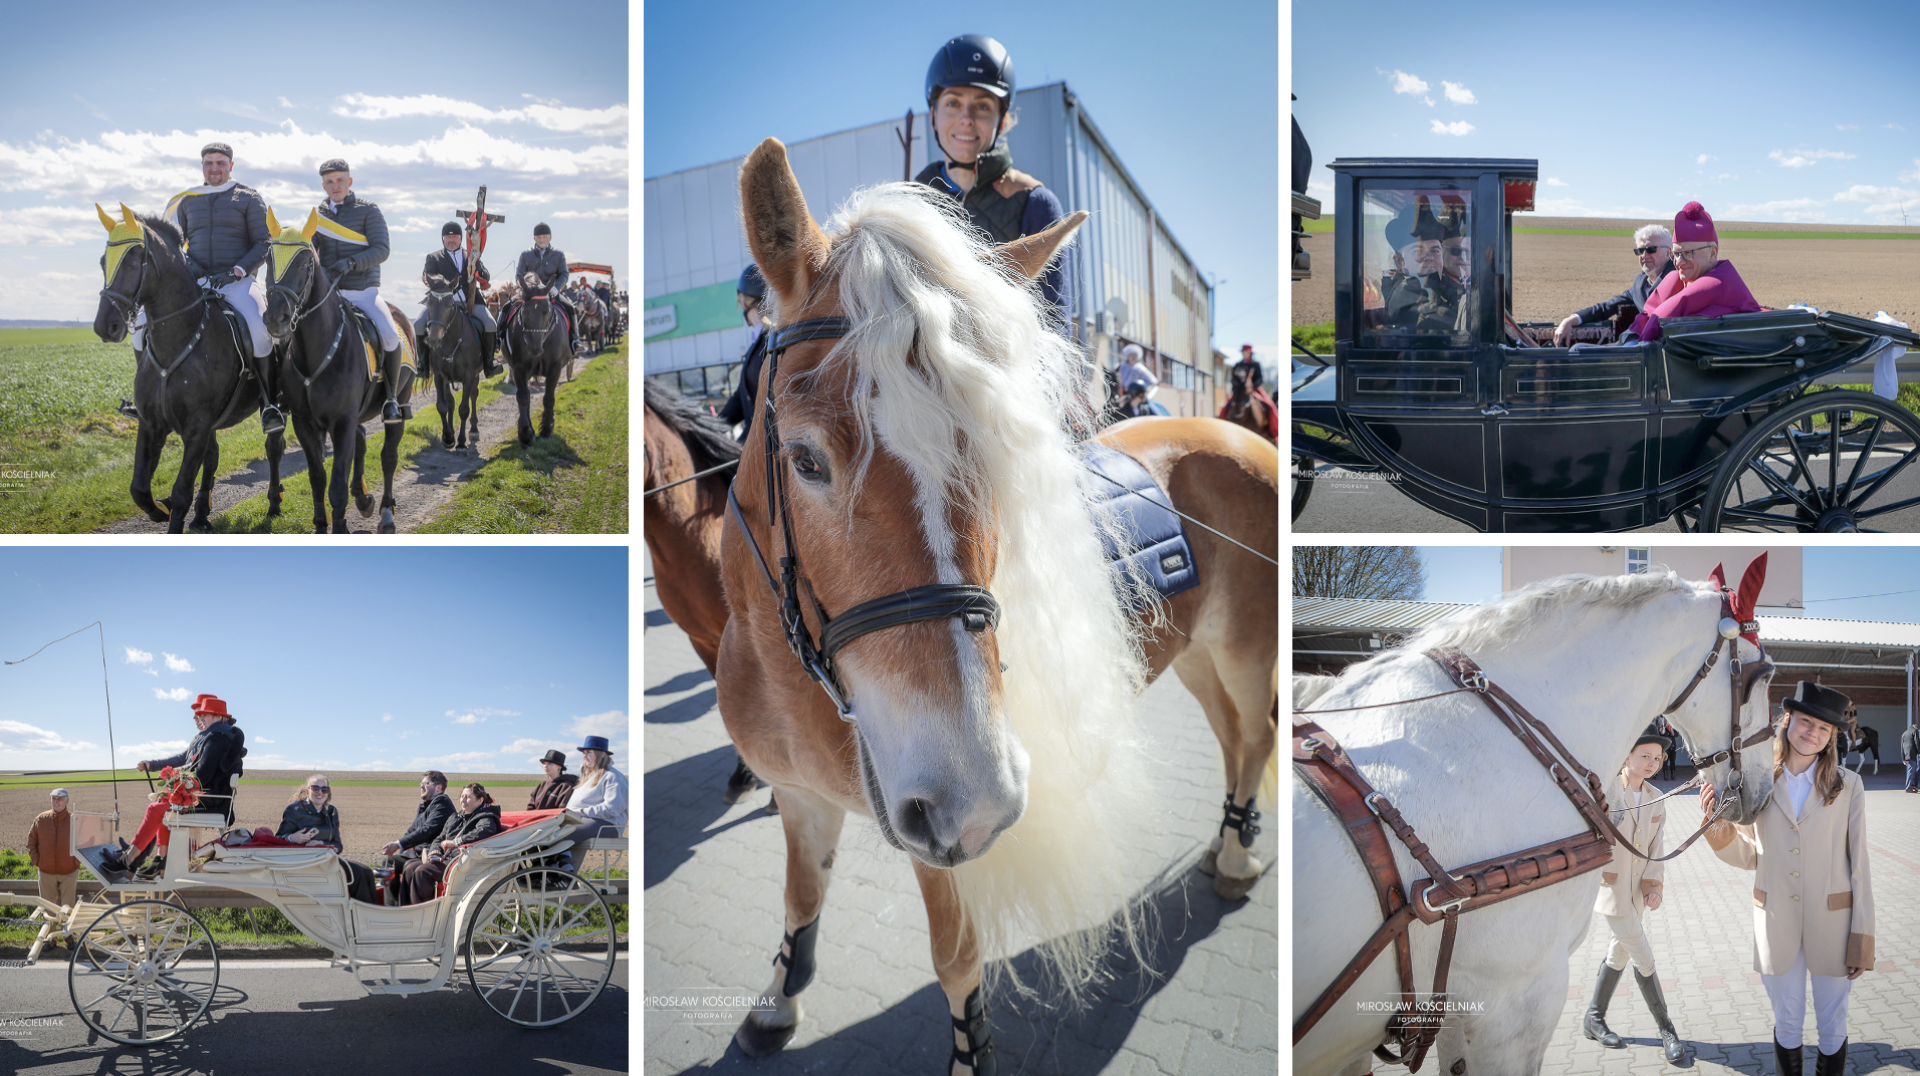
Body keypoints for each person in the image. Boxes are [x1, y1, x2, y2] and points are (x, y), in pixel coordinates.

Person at [1702, 682, 1874, 1076]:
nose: (1812, 732)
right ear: (1787, 720)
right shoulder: (1760, 782)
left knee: (1833, 1023)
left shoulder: (1849, 786)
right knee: (1787, 1021)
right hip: (1775, 919)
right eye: (1806, 722)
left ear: (1832, 738)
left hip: (1834, 922)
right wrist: (1717, 826)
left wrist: (1862, 938)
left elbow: (1859, 865)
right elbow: (1750, 855)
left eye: (1823, 729)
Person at [914, 34, 1073, 334]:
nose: (966, 118)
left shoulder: (1034, 203)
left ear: (1001, 121)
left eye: (983, 106)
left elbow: (1055, 331)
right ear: (933, 116)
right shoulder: (908, 202)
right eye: (952, 103)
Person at [137, 143, 277, 432]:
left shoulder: (249, 198)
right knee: (140, 326)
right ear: (202, 166)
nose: (215, 168)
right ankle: (146, 396)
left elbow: (264, 242)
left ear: (231, 166)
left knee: (261, 333)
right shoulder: (187, 201)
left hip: (238, 283)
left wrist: (238, 270)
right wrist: (190, 265)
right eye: (209, 163)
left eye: (221, 163)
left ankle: (269, 403)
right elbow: (176, 244)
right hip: (197, 281)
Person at [1583, 735, 1688, 1063]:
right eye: (1644, 756)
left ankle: (1593, 1018)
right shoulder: (1607, 793)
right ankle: (1666, 1027)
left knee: (1618, 953)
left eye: (1656, 759)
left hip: (1638, 893)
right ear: (1626, 756)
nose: (1652, 763)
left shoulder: (1657, 797)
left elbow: (1657, 847)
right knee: (1642, 955)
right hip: (1612, 890)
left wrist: (1654, 886)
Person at [310, 159, 406, 423]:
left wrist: (352, 263)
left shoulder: (369, 211)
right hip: (328, 294)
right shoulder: (318, 215)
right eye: (329, 181)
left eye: (340, 180)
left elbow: (382, 249)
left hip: (363, 291)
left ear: (349, 181)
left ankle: (391, 399)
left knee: (389, 335)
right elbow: (311, 250)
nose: (335, 185)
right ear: (323, 185)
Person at [1626, 203, 1762, 342]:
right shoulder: (1679, 277)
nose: (1678, 262)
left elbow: (1660, 316)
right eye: (1676, 254)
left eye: (1687, 253)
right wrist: (1630, 339)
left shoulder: (1717, 282)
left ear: (1713, 253)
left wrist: (1636, 349)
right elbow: (1648, 312)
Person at [137, 693, 245, 830]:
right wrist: (153, 766)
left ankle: (138, 850)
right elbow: (184, 759)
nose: (198, 717)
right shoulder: (210, 737)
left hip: (210, 798)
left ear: (217, 716)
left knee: (159, 807)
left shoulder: (216, 739)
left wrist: (175, 777)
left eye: (203, 714)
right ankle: (160, 851)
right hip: (207, 796)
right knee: (162, 804)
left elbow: (202, 775)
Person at [1554, 226, 1674, 345]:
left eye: (1651, 249)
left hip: (1663, 348)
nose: (1644, 255)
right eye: (1640, 251)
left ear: (1668, 252)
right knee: (1578, 349)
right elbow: (1607, 306)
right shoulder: (1640, 282)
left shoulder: (1679, 279)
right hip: (1637, 343)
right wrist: (1572, 319)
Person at [398, 782, 502, 905]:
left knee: (422, 872)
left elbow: (483, 832)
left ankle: (420, 914)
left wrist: (455, 842)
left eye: (468, 797)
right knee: (409, 868)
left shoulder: (486, 818)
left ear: (480, 801)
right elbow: (440, 838)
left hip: (461, 863)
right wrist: (435, 852)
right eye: (462, 796)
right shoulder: (456, 817)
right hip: (445, 859)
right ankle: (404, 911)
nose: (463, 800)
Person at [418, 221, 499, 377]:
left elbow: (485, 276)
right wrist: (444, 283)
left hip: (472, 302)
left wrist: (477, 264)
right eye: (447, 237)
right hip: (441, 305)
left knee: (490, 323)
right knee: (418, 325)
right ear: (442, 239)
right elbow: (427, 277)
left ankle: (489, 364)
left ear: (461, 238)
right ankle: (423, 364)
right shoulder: (433, 257)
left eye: (454, 237)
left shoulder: (470, 254)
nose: (451, 240)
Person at [504, 223, 583, 356]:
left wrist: (556, 288)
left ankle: (575, 341)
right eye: (538, 237)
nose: (541, 239)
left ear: (550, 237)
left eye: (544, 236)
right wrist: (523, 288)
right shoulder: (525, 254)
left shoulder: (558, 254)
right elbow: (519, 275)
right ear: (534, 238)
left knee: (570, 307)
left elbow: (564, 274)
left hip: (551, 292)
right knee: (506, 307)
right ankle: (499, 339)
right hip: (529, 294)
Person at [557, 736, 626, 872]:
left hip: (608, 823)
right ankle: (545, 875)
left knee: (559, 835)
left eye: (589, 752)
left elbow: (612, 809)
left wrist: (580, 812)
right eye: (584, 753)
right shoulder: (587, 778)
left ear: (602, 754)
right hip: (583, 820)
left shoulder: (612, 777)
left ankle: (564, 876)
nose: (585, 756)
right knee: (544, 833)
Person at [717, 264, 773, 431]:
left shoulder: (771, 341)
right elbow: (741, 398)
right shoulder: (762, 341)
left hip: (765, 445)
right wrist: (712, 429)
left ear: (743, 302)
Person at [380, 771, 456, 874]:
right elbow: (411, 831)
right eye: (421, 784)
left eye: (426, 784)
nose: (422, 787)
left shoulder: (442, 803)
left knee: (409, 866)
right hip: (416, 854)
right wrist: (399, 851)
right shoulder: (425, 807)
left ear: (438, 788)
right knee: (389, 861)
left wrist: (398, 844)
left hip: (431, 854)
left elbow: (427, 830)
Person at [28, 788, 82, 927]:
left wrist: (75, 863)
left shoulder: (74, 820)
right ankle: (49, 938)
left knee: (68, 907)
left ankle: (67, 936)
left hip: (69, 872)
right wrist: (38, 861)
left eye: (59, 798)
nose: (56, 801)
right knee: (47, 907)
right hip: (46, 872)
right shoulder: (41, 819)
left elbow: (83, 844)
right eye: (53, 798)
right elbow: (31, 843)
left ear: (67, 801)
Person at [1902, 721, 1920, 793]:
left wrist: (1903, 758)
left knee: (1912, 770)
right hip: (1912, 754)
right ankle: (1908, 787)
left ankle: (1912, 785)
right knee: (1911, 770)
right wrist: (1919, 753)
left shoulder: (1904, 733)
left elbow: (1902, 747)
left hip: (1907, 754)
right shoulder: (1915, 731)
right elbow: (1917, 742)